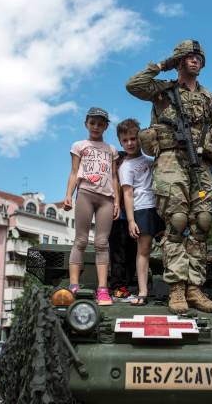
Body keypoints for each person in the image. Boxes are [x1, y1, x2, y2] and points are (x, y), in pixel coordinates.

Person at [126, 40, 212, 314]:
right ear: (180, 60)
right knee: (177, 221)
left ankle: (195, 288)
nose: (195, 61)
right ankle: (176, 288)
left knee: (202, 223)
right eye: (189, 57)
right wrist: (163, 65)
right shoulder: (164, 90)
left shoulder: (211, 99)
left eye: (199, 58)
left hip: (204, 166)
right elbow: (133, 85)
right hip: (171, 160)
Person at [63, 107, 119, 305]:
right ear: (86, 123)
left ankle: (103, 289)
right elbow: (73, 171)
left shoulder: (111, 149)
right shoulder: (79, 145)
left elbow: (114, 176)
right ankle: (73, 285)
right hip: (85, 194)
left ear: (106, 126)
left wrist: (117, 201)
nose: (96, 126)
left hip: (106, 198)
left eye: (100, 123)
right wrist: (68, 194)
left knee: (102, 243)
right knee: (81, 240)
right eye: (92, 122)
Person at [117, 118, 165, 306]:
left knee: (170, 247)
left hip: (160, 207)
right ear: (120, 142)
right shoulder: (125, 167)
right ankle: (143, 291)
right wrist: (130, 220)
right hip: (142, 209)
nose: (130, 143)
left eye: (133, 138)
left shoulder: (152, 160)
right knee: (143, 250)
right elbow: (127, 194)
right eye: (125, 140)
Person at [108, 150, 138, 301]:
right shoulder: (113, 179)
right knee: (118, 256)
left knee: (132, 255)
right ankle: (117, 288)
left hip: (132, 221)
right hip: (117, 221)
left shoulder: (131, 175)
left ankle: (126, 286)